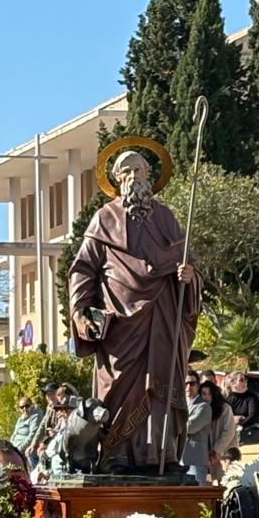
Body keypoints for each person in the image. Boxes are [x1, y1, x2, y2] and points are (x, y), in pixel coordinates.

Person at [69, 149, 203, 473]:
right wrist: (80, 309)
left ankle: (163, 456)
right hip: (120, 324)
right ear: (116, 180)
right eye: (125, 171)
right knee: (119, 387)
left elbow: (189, 263)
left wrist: (190, 276)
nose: (133, 176)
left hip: (162, 314)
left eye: (139, 169)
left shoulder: (167, 218)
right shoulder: (104, 218)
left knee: (163, 385)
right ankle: (116, 456)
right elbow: (83, 268)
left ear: (149, 176)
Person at [179, 376, 214, 483]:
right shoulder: (182, 404)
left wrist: (173, 423)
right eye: (186, 384)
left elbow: (190, 427)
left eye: (192, 383)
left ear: (198, 385)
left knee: (197, 497)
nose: (188, 387)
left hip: (195, 461)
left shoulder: (204, 407)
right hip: (180, 461)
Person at [204, 380, 237, 479]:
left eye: (209, 394)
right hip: (211, 455)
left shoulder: (225, 409)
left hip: (226, 452)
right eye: (204, 394)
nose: (206, 397)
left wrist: (216, 450)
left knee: (226, 481)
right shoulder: (203, 410)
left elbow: (229, 431)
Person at [225, 371, 259, 438]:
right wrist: (233, 419)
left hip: (251, 431)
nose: (245, 382)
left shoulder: (252, 397)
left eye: (245, 380)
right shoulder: (227, 400)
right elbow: (224, 417)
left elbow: (253, 415)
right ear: (233, 383)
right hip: (231, 431)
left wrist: (241, 424)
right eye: (241, 380)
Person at [10, 395, 44, 461]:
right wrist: (10, 445)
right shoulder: (20, 419)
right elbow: (15, 433)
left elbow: (32, 436)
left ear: (31, 406)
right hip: (15, 447)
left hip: (24, 448)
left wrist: (19, 449)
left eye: (27, 406)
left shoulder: (35, 417)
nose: (24, 409)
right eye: (22, 407)